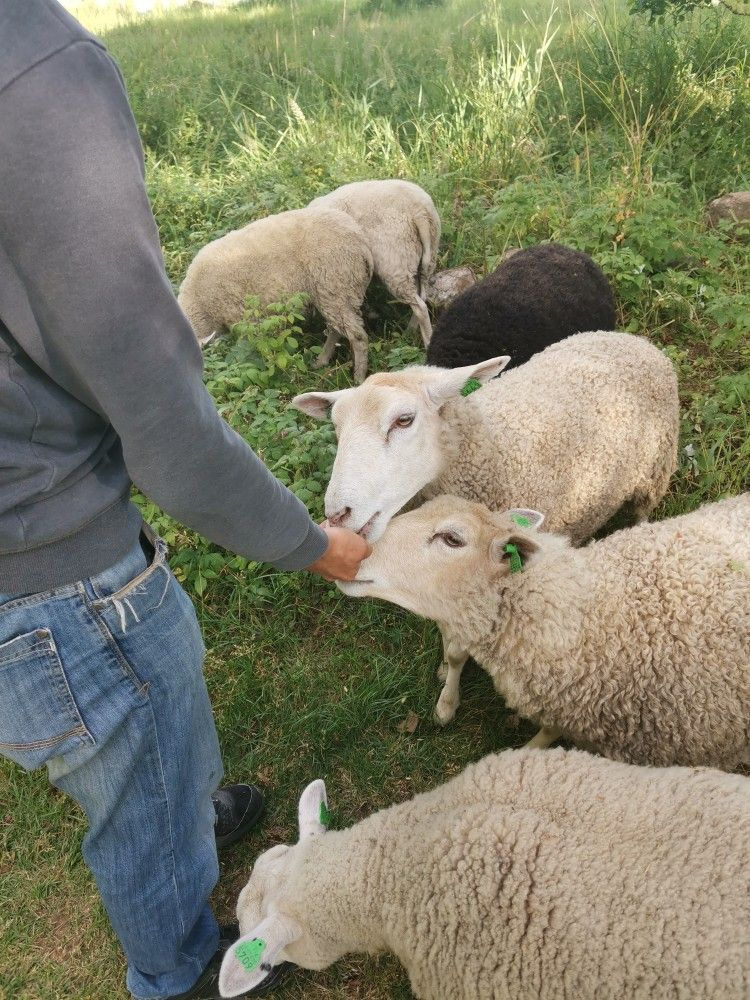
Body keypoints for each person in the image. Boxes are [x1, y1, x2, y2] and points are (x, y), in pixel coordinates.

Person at [0, 1, 371, 997]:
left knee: (160, 711)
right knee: (135, 737)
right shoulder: (31, 78)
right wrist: (313, 546)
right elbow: (165, 427)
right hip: (49, 565)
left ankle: (190, 814)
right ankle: (178, 967)